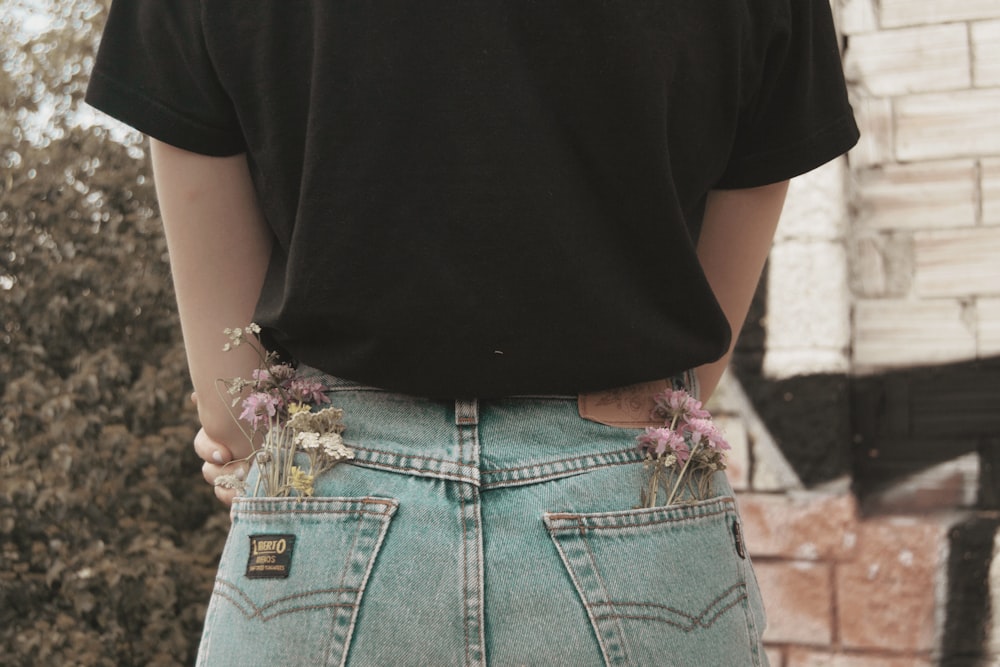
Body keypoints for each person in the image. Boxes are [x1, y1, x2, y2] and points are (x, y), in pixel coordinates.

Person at [87, 1, 858, 664]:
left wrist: (261, 450)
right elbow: (702, 350)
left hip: (326, 493)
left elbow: (234, 403)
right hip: (636, 510)